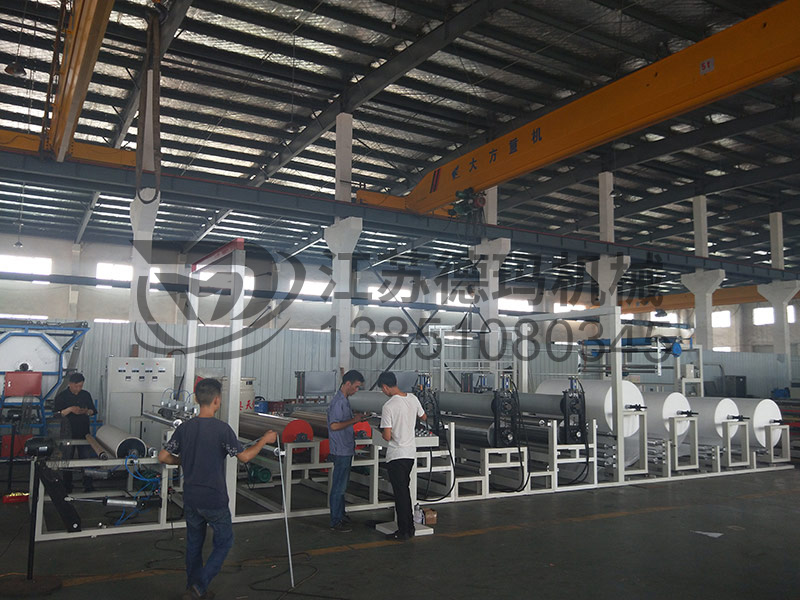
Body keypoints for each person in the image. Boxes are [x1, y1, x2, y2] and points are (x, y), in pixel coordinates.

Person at [158, 378, 277, 600]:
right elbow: (244, 457)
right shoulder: (222, 429)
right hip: (214, 498)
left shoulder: (184, 428)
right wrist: (264, 440)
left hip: (191, 498)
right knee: (224, 542)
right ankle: (199, 587)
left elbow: (163, 456)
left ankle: (193, 589)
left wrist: (183, 461)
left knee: (194, 545)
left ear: (195, 399)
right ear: (217, 400)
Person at [376, 371, 426, 541]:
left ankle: (404, 530)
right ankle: (409, 528)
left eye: (382, 389)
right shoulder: (412, 398)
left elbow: (387, 436)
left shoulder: (388, 406)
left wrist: (382, 431)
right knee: (405, 491)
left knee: (400, 494)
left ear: (385, 386)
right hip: (410, 453)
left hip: (396, 454)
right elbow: (424, 416)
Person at [326, 369, 366, 532]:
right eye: (356, 387)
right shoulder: (338, 402)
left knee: (342, 486)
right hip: (341, 450)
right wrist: (354, 420)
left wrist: (356, 418)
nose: (356, 390)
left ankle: (341, 514)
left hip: (346, 448)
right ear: (347, 384)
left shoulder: (345, 401)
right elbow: (334, 426)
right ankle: (335, 521)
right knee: (338, 487)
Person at [54, 373, 97, 493]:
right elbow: (56, 414)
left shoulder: (85, 395)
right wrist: (70, 409)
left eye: (81, 386)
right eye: (76, 386)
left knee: (86, 459)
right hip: (68, 432)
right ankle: (67, 485)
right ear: (70, 384)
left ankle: (88, 485)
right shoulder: (62, 396)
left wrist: (87, 411)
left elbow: (93, 410)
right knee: (67, 460)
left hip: (84, 432)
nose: (78, 389)